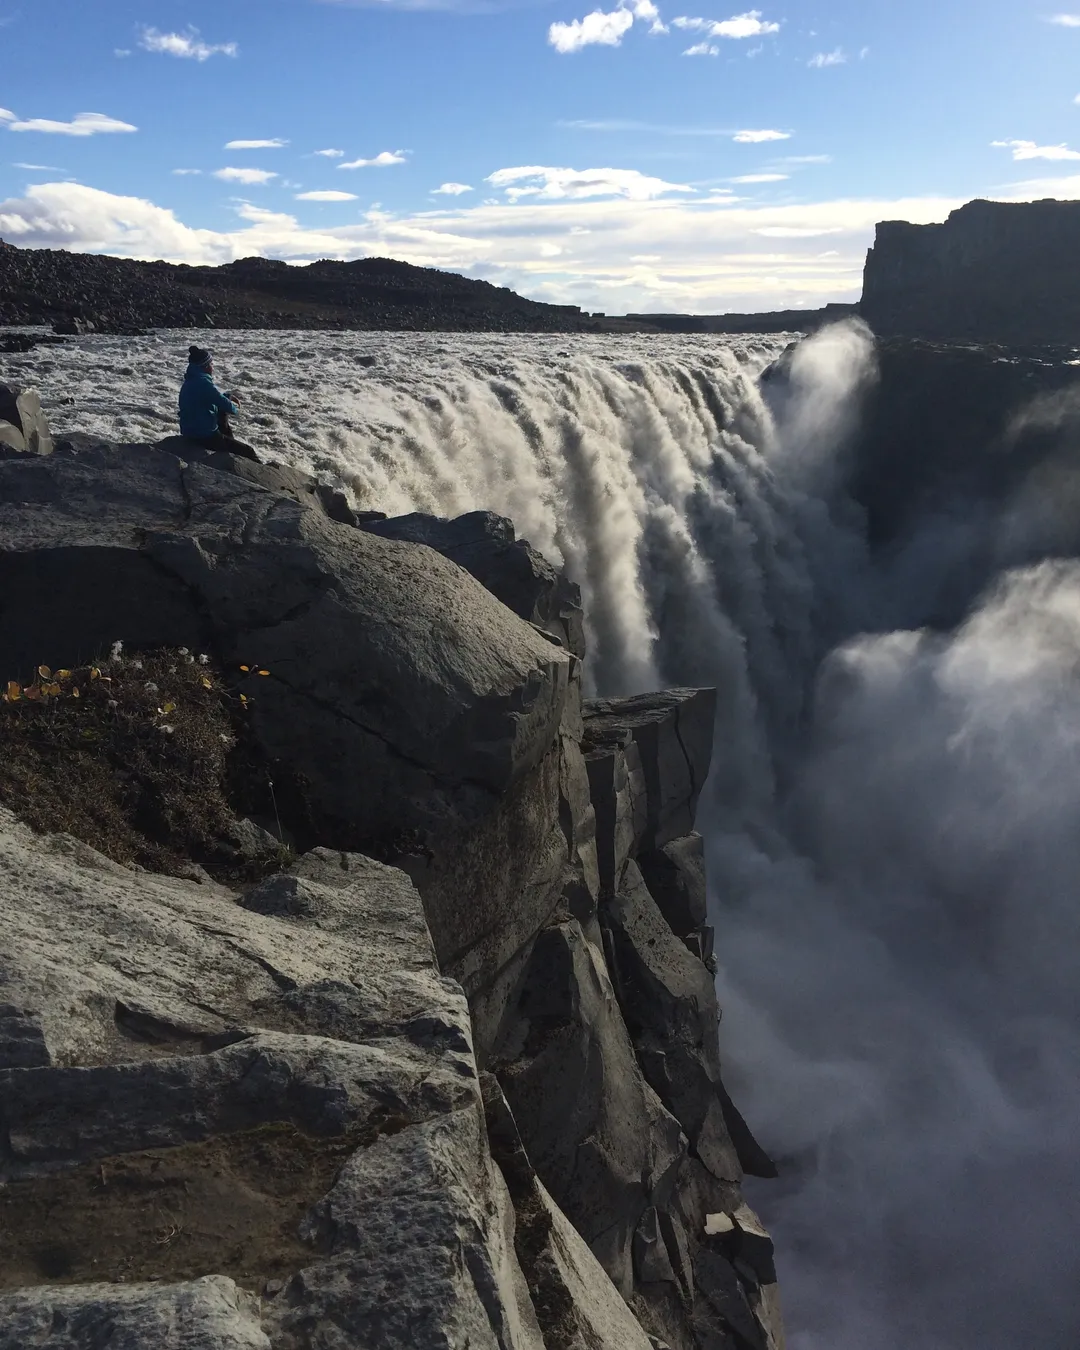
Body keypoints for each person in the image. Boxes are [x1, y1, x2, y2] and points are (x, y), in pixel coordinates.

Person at [178, 346, 259, 461]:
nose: (213, 367)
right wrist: (236, 410)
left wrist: (228, 396)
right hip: (203, 435)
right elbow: (226, 406)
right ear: (205, 366)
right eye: (211, 364)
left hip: (189, 430)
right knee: (248, 451)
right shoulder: (203, 383)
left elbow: (212, 397)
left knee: (220, 410)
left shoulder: (192, 379)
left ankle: (229, 445)